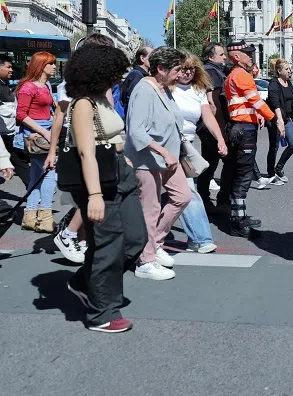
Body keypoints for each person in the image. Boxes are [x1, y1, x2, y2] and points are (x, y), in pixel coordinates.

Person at [62, 44, 148, 332]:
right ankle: (102, 312)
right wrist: (95, 196)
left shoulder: (103, 99)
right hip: (98, 178)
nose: (119, 77)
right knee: (108, 246)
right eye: (114, 72)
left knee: (136, 238)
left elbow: (112, 135)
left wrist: (123, 156)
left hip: (118, 171)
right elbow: (86, 151)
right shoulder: (83, 103)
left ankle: (88, 280)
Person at [48, 32, 118, 264]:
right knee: (91, 196)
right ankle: (68, 234)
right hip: (83, 146)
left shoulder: (102, 83)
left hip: (102, 148)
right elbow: (60, 116)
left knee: (93, 198)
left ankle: (81, 239)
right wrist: (52, 151)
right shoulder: (76, 85)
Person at [125, 47, 192, 281]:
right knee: (150, 209)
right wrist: (163, 151)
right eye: (176, 69)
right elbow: (136, 131)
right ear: (160, 69)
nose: (180, 74)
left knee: (182, 196)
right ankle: (145, 260)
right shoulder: (144, 90)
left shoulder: (164, 89)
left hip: (168, 158)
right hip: (148, 160)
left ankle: (155, 243)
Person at [172, 54, 227, 254]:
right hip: (166, 144)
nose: (188, 72)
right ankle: (200, 239)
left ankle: (198, 239)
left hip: (187, 145)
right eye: (184, 68)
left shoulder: (197, 89)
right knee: (185, 192)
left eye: (192, 68)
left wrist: (220, 139)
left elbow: (208, 117)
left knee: (180, 193)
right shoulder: (166, 88)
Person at [220, 40, 275, 237]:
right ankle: (238, 222)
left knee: (239, 173)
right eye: (247, 53)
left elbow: (243, 102)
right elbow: (255, 100)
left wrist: (257, 114)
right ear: (236, 57)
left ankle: (239, 216)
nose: (250, 55)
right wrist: (273, 118)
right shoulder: (242, 75)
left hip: (239, 128)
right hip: (244, 129)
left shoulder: (233, 75)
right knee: (243, 176)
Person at [15, 51, 58, 233]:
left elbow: (52, 108)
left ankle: (30, 216)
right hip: (36, 133)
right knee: (50, 173)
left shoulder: (45, 85)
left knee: (36, 175)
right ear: (41, 66)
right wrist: (44, 132)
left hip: (45, 130)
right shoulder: (28, 87)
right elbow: (21, 114)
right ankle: (45, 219)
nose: (54, 66)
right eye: (51, 63)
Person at [197, 42, 228, 207]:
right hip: (210, 125)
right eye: (221, 54)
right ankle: (208, 200)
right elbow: (212, 102)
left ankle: (205, 198)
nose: (224, 57)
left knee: (210, 162)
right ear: (211, 56)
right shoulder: (212, 72)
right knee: (214, 162)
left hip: (207, 125)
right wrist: (220, 129)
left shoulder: (210, 70)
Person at [265, 59, 293, 183]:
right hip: (275, 119)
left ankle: (279, 167)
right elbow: (276, 104)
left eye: (289, 69)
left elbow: (291, 103)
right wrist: (279, 122)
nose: (289, 71)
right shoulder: (274, 84)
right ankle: (270, 174)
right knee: (274, 147)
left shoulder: (288, 83)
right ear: (279, 71)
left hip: (286, 118)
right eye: (287, 69)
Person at [0, 54, 30, 185]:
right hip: (3, 133)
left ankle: (34, 190)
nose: (11, 70)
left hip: (9, 133)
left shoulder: (5, 85)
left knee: (19, 159)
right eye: (8, 67)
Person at [120, 46, 151, 113]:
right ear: (142, 58)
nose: (155, 59)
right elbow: (132, 99)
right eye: (152, 56)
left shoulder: (142, 75)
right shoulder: (137, 75)